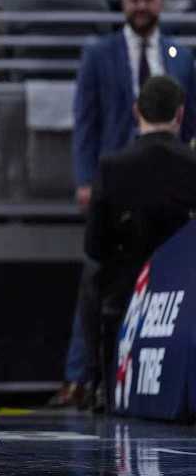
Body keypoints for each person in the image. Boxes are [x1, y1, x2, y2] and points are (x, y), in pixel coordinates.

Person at [83, 75, 196, 411]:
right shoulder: (193, 166)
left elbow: (94, 246)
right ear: (180, 114)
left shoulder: (111, 167)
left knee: (92, 278)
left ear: (136, 111)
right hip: (183, 298)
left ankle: (99, 384)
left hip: (126, 293)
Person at [73, 0, 196, 209]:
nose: (141, 6)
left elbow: (191, 120)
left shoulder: (181, 55)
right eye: (135, 0)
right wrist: (85, 179)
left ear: (160, 3)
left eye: (148, 0)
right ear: (123, 4)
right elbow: (86, 121)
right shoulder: (97, 55)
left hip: (171, 173)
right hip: (115, 168)